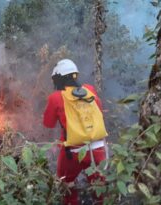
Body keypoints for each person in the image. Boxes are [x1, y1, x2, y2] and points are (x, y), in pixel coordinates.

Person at [43, 59, 107, 205]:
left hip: (72, 152)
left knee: (66, 182)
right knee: (100, 190)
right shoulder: (89, 89)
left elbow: (48, 124)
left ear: (58, 78)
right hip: (98, 149)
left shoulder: (56, 97)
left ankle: (71, 202)